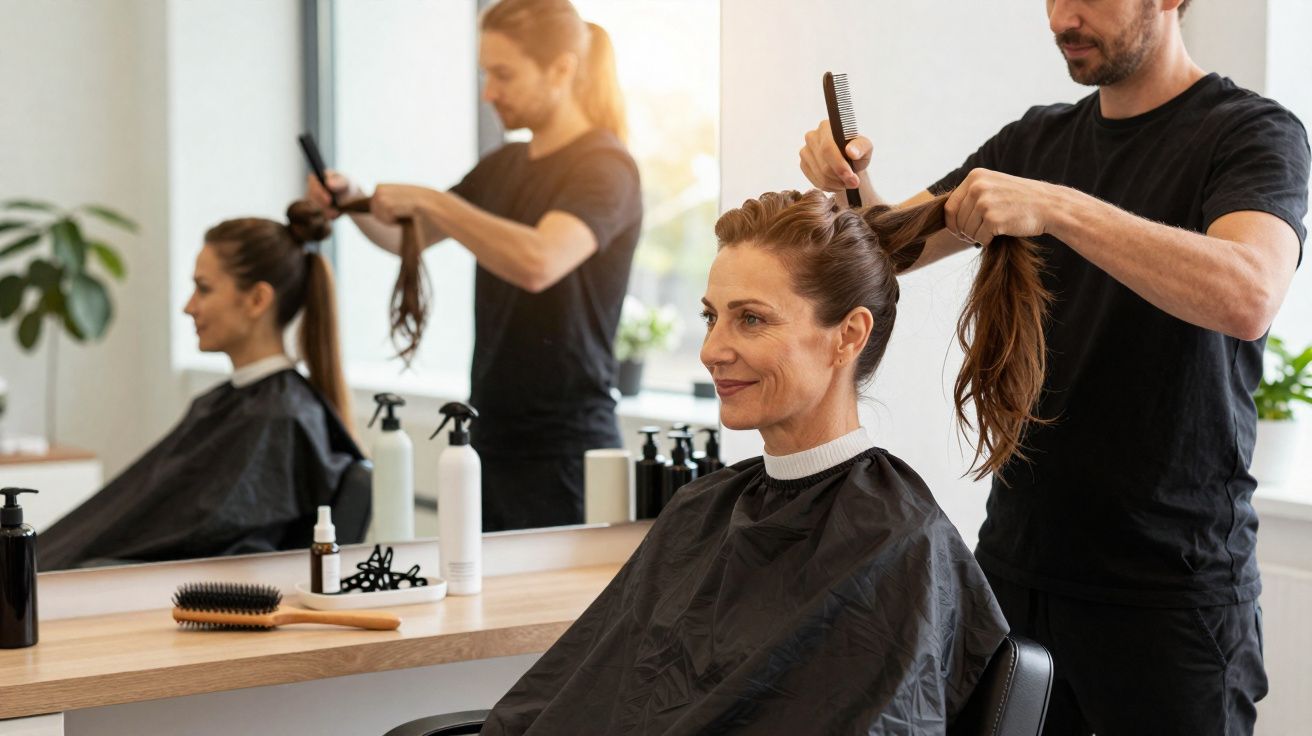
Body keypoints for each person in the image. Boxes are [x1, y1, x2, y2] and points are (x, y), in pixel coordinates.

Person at [797, 1, 1310, 732]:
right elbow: (893, 247)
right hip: (1019, 572)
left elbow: (1248, 292)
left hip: (1174, 594)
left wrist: (1061, 208)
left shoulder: (1253, 133)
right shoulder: (1035, 142)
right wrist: (850, 187)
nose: (1062, 16)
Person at [480, 189, 1050, 734]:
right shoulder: (702, 507)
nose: (711, 350)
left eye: (750, 319)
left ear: (848, 335)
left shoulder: (899, 544)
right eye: (712, 317)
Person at [307, 0, 642, 533]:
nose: (489, 92)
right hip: (488, 439)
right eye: (486, 74)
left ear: (562, 69)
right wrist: (351, 202)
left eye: (504, 74)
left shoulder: (604, 168)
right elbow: (403, 239)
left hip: (564, 451)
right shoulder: (502, 167)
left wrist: (434, 201)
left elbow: (540, 260)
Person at [40, 201, 364, 570]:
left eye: (203, 289)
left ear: (257, 299)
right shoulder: (234, 403)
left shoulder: (277, 418)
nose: (188, 307)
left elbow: (211, 548)